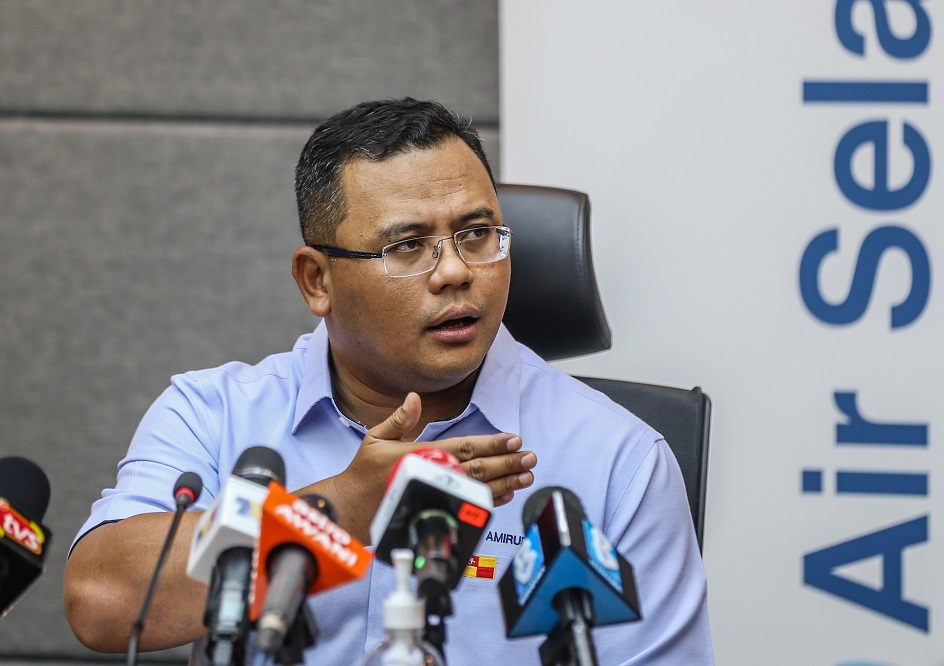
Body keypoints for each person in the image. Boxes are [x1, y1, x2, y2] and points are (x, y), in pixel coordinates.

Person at [64, 98, 713, 664]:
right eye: (408, 246)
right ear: (317, 280)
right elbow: (102, 603)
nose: (455, 271)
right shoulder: (216, 414)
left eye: (477, 234)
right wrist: (345, 506)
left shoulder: (617, 460)